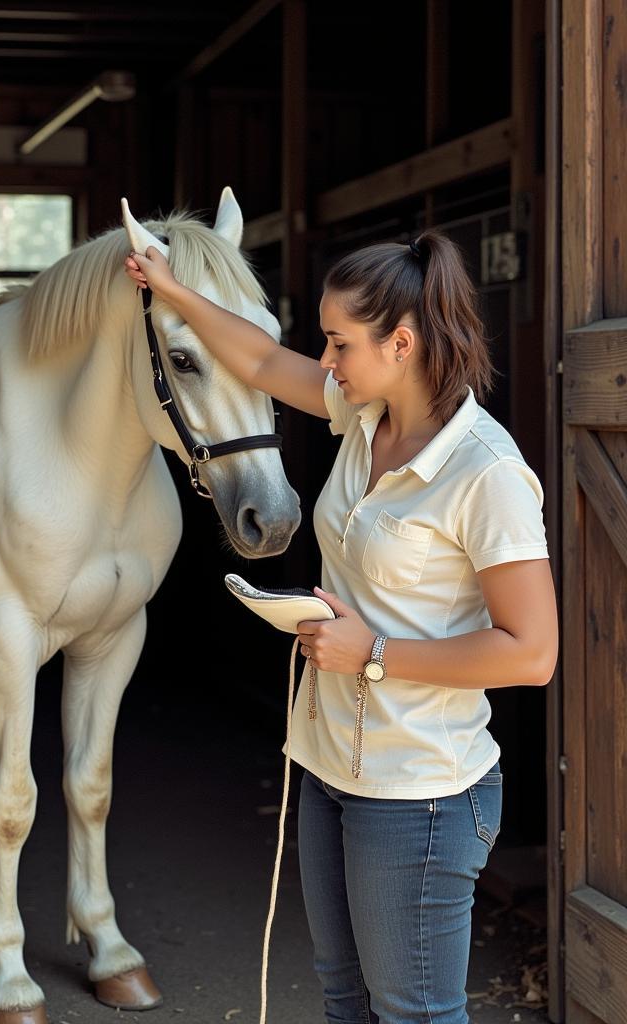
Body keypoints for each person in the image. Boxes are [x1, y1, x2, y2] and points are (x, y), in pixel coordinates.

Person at [125, 231, 558, 1024]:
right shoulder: (363, 416)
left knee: (415, 1013)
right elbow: (256, 360)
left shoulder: (485, 472)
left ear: (401, 343)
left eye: (338, 343)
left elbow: (532, 653)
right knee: (343, 999)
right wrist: (173, 292)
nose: (324, 361)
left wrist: (376, 652)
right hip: (330, 765)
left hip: (420, 788)